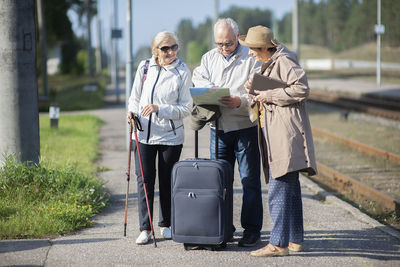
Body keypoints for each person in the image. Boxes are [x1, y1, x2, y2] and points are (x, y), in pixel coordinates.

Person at [239, 25, 317, 257]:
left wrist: (268, 95)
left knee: (278, 188)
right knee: (290, 189)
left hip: (285, 135)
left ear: (264, 47)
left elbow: (302, 89)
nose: (250, 53)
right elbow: (276, 90)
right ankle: (294, 239)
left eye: (252, 49)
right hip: (280, 132)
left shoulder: (284, 62)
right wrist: (255, 90)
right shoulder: (273, 62)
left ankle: (278, 244)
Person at [192, 18, 263, 247]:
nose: (223, 48)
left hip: (245, 128)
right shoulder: (208, 58)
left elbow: (260, 91)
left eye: (229, 43)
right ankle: (223, 229)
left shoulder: (251, 58)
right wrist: (208, 90)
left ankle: (251, 230)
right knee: (220, 183)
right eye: (219, 43)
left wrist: (239, 101)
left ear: (238, 36)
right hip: (219, 128)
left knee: (249, 181)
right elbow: (197, 77)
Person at [127, 31, 192, 245]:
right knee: (144, 180)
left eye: (174, 47)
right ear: (156, 50)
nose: (171, 52)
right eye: (165, 48)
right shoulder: (145, 67)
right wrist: (131, 112)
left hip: (170, 135)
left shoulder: (182, 71)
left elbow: (186, 108)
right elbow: (135, 97)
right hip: (143, 134)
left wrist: (159, 108)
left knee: (167, 181)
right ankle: (145, 228)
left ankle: (166, 225)